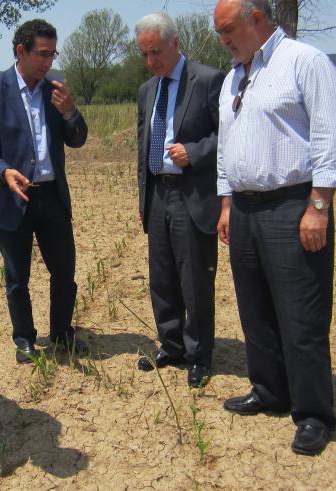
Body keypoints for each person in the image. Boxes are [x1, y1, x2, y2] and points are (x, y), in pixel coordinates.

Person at [212, 0, 336, 455]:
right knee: (255, 310)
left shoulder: (304, 62)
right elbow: (226, 144)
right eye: (219, 33)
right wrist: (228, 201)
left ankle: (313, 413)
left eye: (228, 29)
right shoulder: (236, 75)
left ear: (256, 18)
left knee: (302, 315)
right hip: (246, 209)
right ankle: (269, 390)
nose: (224, 40)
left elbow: (331, 134)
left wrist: (319, 206)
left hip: (292, 206)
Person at [0, 19, 90, 363]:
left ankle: (62, 334)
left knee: (64, 273)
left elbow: (78, 139)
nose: (49, 62)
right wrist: (2, 171)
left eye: (53, 54)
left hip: (51, 196)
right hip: (12, 196)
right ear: (21, 51)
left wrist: (70, 111)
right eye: (42, 54)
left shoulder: (56, 90)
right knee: (17, 277)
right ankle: (24, 338)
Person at [132, 12, 226, 388]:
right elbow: (142, 147)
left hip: (192, 194)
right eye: (144, 54)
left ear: (176, 43)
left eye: (156, 51)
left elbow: (229, 136)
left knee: (194, 278)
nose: (151, 60)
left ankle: (199, 355)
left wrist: (195, 152)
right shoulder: (146, 90)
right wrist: (143, 196)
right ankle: (170, 345)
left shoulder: (207, 80)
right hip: (158, 192)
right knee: (163, 276)